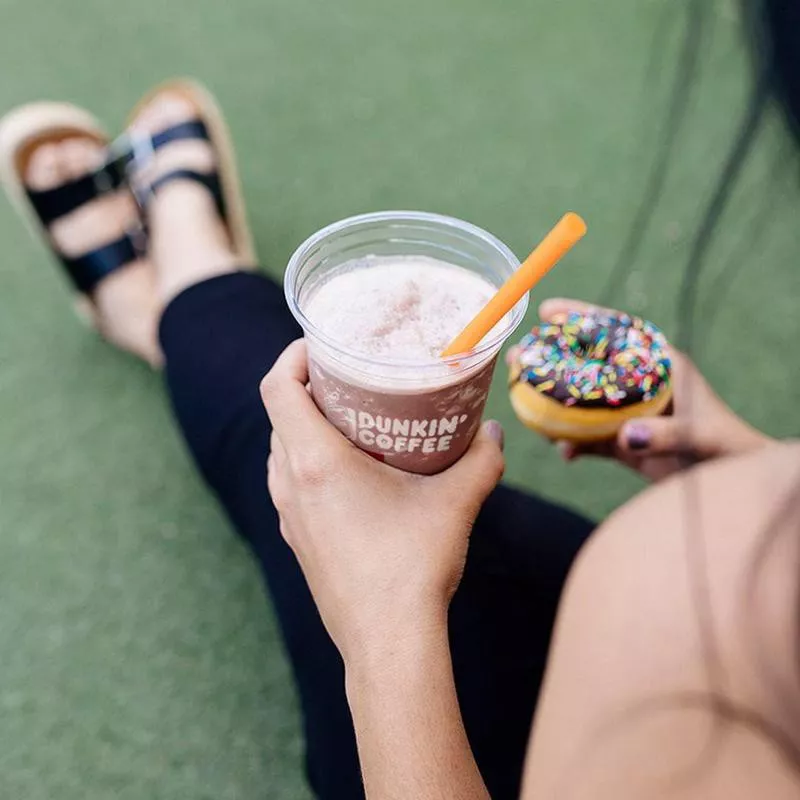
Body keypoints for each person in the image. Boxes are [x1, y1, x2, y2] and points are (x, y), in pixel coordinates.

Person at [1, 4, 797, 799]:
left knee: (274, 439)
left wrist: (383, 622)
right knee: (437, 522)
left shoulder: (669, 584)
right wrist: (754, 468)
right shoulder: (722, 547)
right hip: (669, 640)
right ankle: (176, 305)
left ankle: (178, 296)